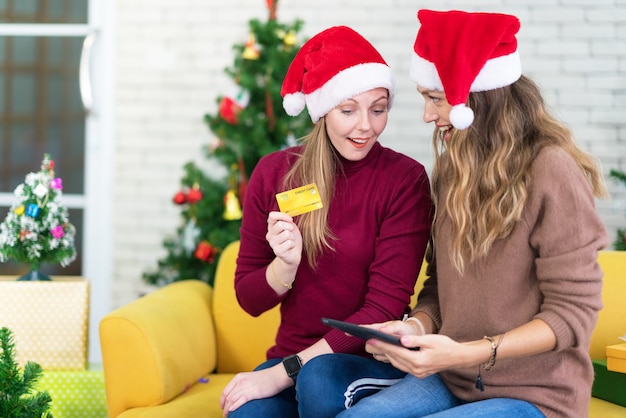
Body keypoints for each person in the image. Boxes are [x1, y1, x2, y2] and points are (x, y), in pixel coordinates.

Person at [299, 9, 610, 418]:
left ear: (476, 96)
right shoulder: (452, 171)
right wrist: (415, 328)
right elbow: (440, 288)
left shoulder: (550, 169)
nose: (427, 115)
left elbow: (572, 315)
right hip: (454, 380)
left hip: (534, 395)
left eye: (434, 99)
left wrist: (462, 353)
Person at [219, 25, 433, 417]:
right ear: (322, 110)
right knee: (245, 410)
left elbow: (382, 307)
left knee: (317, 379)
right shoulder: (274, 174)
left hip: (366, 361)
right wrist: (284, 266)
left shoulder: (405, 181)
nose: (365, 125)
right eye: (348, 110)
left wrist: (284, 372)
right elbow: (249, 298)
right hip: (293, 360)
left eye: (378, 108)